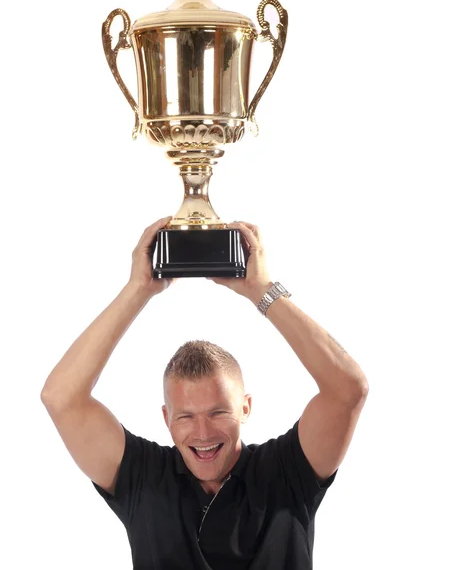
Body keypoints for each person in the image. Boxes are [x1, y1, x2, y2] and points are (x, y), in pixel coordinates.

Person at [41, 216, 369, 570]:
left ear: (246, 408)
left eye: (218, 412)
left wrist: (262, 290)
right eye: (186, 416)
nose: (203, 433)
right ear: (167, 419)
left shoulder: (288, 471)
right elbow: (61, 397)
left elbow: (348, 389)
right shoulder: (143, 477)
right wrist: (138, 289)